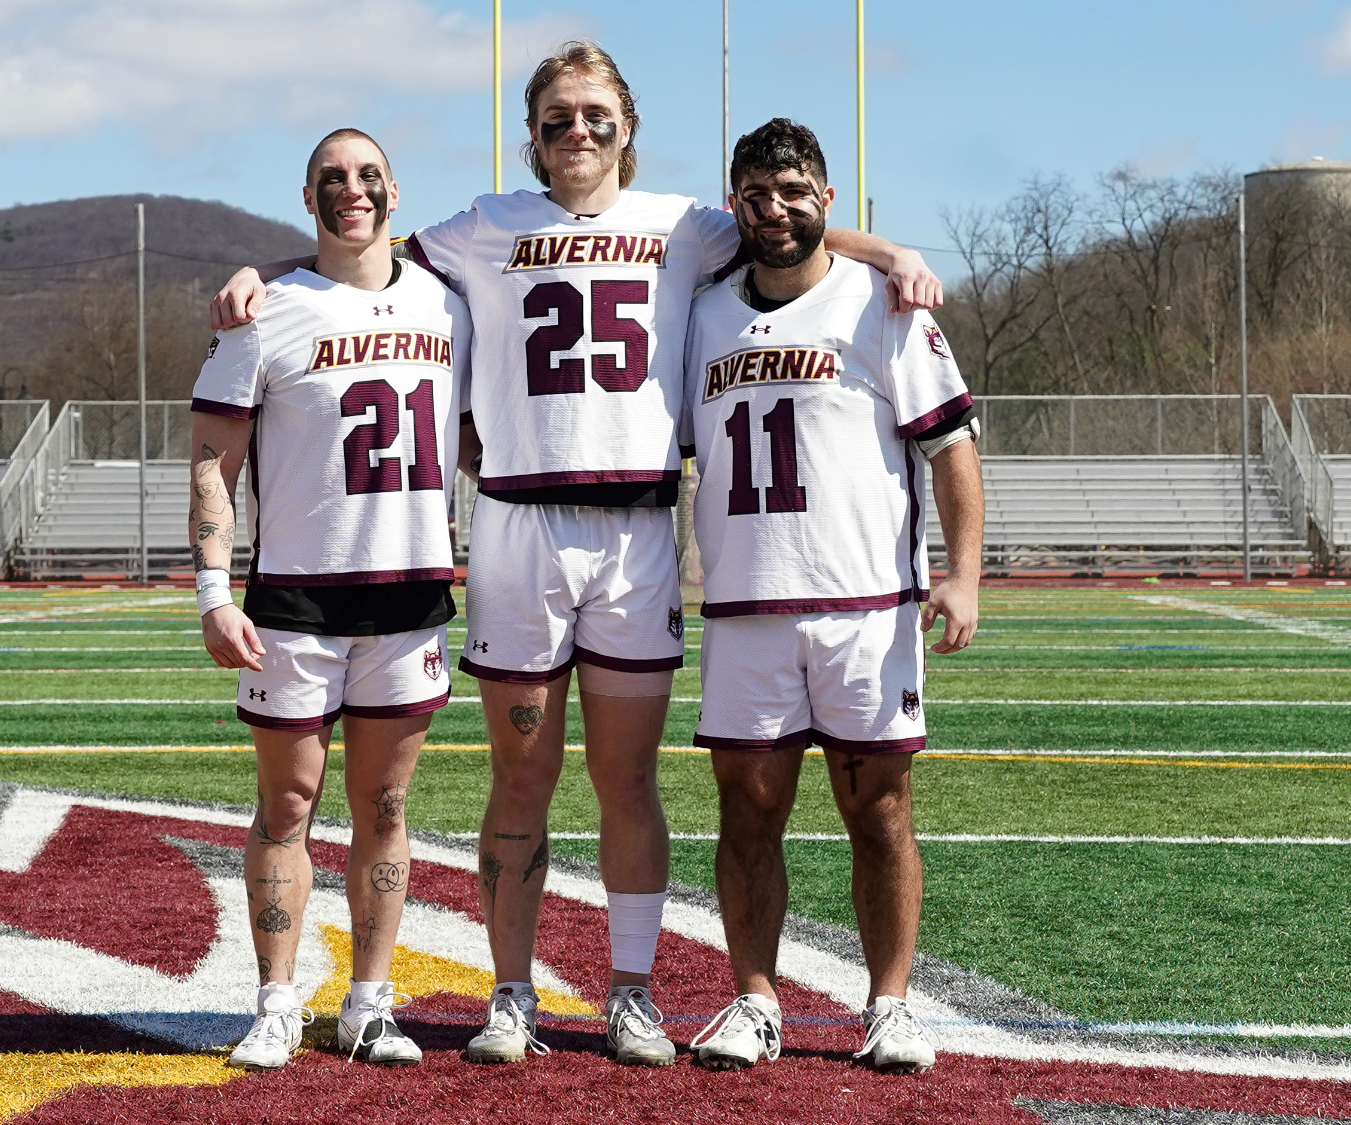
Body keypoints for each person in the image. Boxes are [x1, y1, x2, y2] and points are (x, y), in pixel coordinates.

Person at [208, 42, 944, 1067]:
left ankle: (629, 991)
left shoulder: (683, 226)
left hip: (636, 531)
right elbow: (358, 252)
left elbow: (787, 229)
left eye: (596, 115)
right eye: (557, 118)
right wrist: (266, 272)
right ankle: (510, 993)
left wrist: (886, 249)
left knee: (626, 780)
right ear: (533, 134)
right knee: (521, 776)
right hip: (520, 525)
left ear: (627, 127)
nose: (578, 133)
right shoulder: (485, 223)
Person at [678, 119, 983, 1075]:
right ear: (734, 205)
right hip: (748, 607)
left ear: (827, 201)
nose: (776, 211)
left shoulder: (882, 305)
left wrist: (965, 572)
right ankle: (755, 999)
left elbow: (952, 446)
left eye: (794, 192)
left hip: (865, 607)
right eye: (756, 196)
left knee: (880, 812)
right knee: (746, 815)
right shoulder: (701, 315)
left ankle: (889, 1004)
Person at [191, 127, 470, 1070]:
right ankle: (276, 999)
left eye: (368, 175)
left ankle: (369, 1002)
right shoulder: (261, 312)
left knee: (385, 805)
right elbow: (213, 459)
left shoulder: (449, 300)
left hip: (409, 593)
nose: (353, 190)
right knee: (288, 801)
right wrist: (212, 591)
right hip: (297, 599)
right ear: (307, 197)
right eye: (332, 178)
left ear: (397, 191)